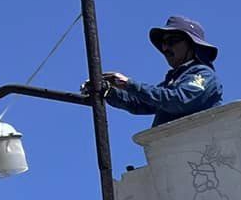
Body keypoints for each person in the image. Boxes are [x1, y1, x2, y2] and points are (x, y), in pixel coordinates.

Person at [94, 15, 222, 127]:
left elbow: (177, 100)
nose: (165, 48)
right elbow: (140, 102)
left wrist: (128, 84)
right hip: (173, 149)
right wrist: (108, 91)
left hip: (199, 149)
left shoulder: (204, 75)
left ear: (192, 45)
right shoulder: (174, 81)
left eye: (172, 41)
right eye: (163, 43)